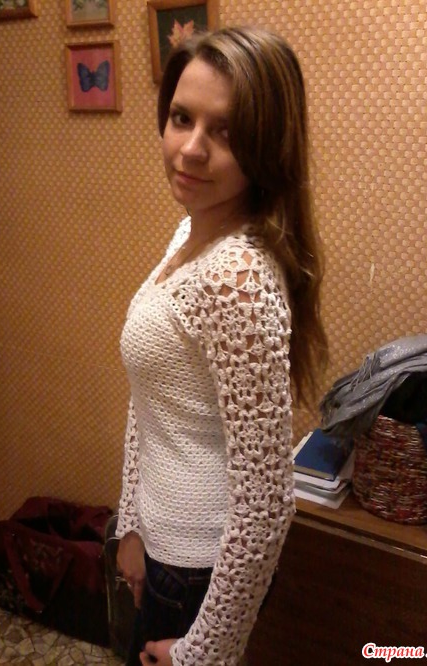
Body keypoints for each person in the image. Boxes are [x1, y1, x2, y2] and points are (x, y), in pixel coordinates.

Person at [115, 25, 328, 666]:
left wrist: (203, 652)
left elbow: (266, 503)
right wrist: (131, 523)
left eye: (226, 132)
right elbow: (149, 399)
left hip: (196, 572)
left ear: (267, 147)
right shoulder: (191, 231)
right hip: (160, 544)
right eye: (182, 118)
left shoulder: (235, 278)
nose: (191, 149)